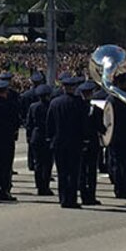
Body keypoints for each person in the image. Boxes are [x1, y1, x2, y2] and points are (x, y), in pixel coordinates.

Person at [47, 75, 90, 208]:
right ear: (74, 88)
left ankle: (63, 198)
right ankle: (71, 199)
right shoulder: (80, 103)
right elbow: (84, 124)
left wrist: (51, 138)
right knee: (73, 172)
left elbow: (50, 123)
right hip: (75, 142)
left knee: (62, 172)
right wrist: (85, 140)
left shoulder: (55, 103)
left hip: (59, 142)